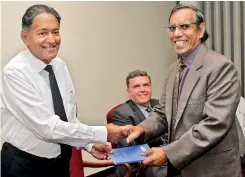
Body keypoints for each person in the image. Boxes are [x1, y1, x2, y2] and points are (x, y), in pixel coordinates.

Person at [1, 4, 128, 177]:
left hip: (61, 161)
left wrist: (89, 144)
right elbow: (49, 128)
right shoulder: (14, 73)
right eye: (42, 33)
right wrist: (103, 133)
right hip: (25, 165)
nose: (52, 39)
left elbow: (68, 117)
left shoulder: (59, 65)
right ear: (25, 37)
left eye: (55, 32)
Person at [126, 4, 242, 177]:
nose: (177, 34)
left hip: (211, 170)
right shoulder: (174, 69)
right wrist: (141, 129)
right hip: (179, 170)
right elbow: (163, 113)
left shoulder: (221, 67)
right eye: (172, 28)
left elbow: (214, 124)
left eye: (184, 26)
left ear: (201, 30)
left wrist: (167, 153)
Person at [112, 70, 167, 177]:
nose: (143, 90)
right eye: (137, 86)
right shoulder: (121, 113)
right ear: (129, 92)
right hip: (139, 163)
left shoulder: (160, 104)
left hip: (164, 154)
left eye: (146, 85)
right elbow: (132, 146)